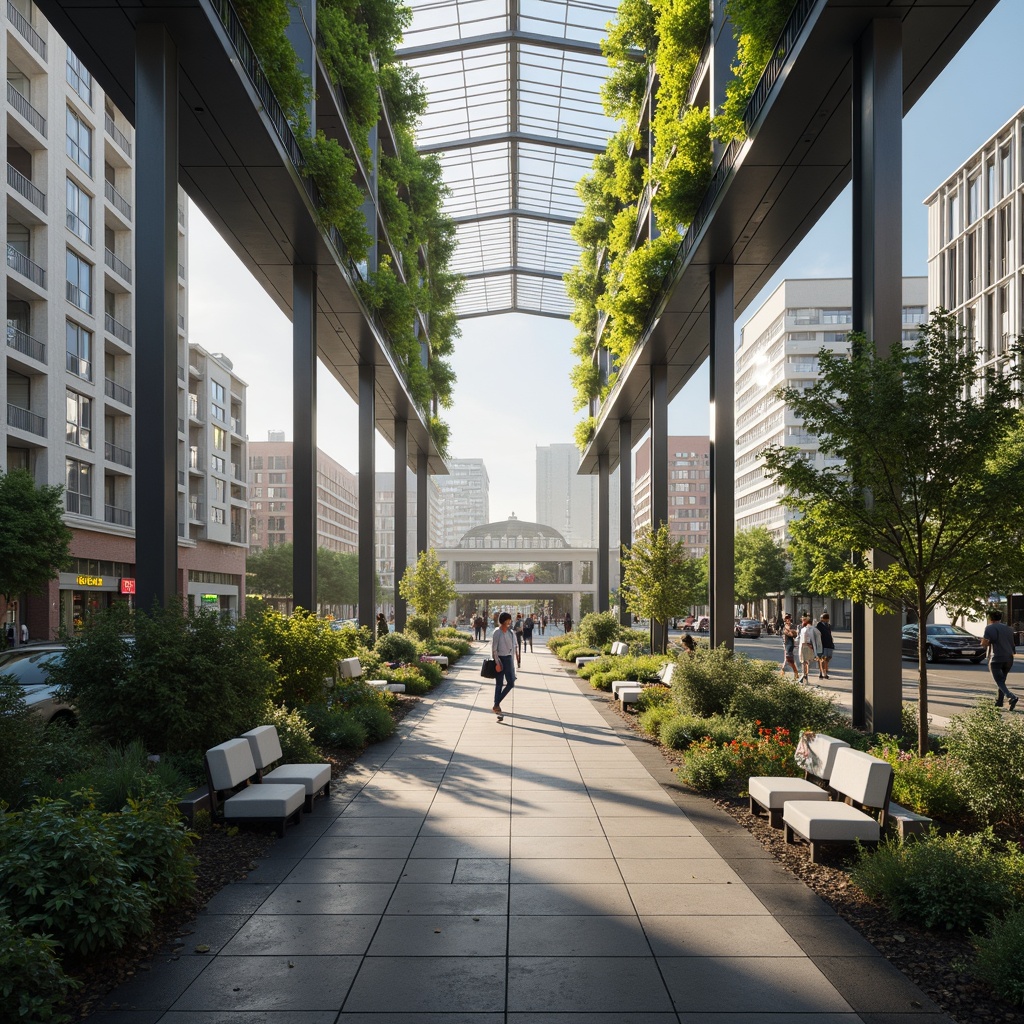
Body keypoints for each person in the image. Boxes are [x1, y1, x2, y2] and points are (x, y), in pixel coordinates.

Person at [982, 609, 1019, 711]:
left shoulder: (989, 628)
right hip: (1009, 658)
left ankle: (1011, 697)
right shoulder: (1008, 628)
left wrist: (984, 643)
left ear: (990, 618)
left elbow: (985, 643)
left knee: (999, 681)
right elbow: (1013, 644)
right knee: (1002, 681)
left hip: (996, 658)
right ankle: (999, 702)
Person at [491, 611, 517, 721]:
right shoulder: (497, 632)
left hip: (509, 659)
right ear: (504, 620)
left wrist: (513, 662)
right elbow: (494, 649)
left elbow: (514, 647)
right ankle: (497, 706)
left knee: (511, 683)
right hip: (500, 659)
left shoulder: (511, 632)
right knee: (499, 683)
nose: (510, 621)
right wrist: (497, 662)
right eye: (508, 619)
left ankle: (496, 703)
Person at [797, 612, 822, 683]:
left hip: (805, 647)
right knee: (806, 662)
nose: (802, 621)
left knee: (805, 662)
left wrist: (809, 644)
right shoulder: (809, 628)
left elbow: (805, 639)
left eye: (803, 620)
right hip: (807, 646)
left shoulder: (806, 629)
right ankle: (805, 676)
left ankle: (804, 676)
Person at [815, 611, 835, 679]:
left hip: (829, 643)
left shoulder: (828, 625)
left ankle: (825, 669)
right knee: (823, 659)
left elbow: (829, 634)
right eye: (823, 618)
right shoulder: (819, 625)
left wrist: (832, 641)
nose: (826, 620)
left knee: (828, 658)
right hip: (823, 644)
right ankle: (823, 673)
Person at [780, 613, 799, 680]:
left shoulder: (793, 626)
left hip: (790, 644)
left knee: (789, 659)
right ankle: (783, 672)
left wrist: (791, 631)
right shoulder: (784, 626)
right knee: (787, 659)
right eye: (786, 618)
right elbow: (785, 634)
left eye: (788, 618)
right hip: (785, 644)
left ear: (790, 618)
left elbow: (794, 635)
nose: (787, 619)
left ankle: (795, 672)